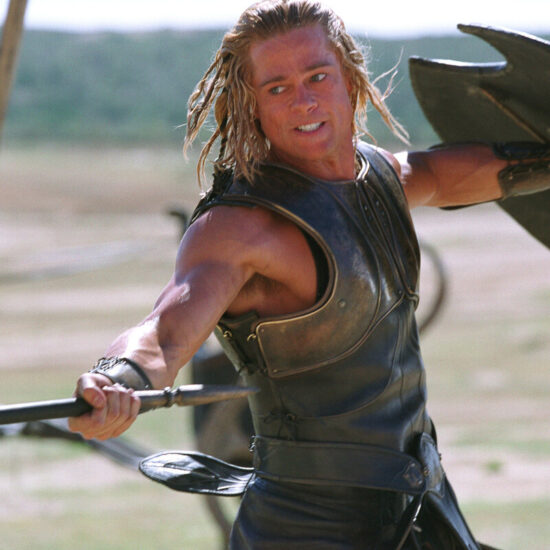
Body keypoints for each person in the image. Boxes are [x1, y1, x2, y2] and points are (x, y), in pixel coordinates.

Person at [68, 1, 550, 548]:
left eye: (317, 76)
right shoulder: (239, 227)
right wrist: (117, 379)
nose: (303, 101)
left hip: (420, 510)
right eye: (277, 88)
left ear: (349, 77)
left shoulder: (380, 179)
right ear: (251, 105)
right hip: (306, 530)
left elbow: (442, 174)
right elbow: (165, 331)